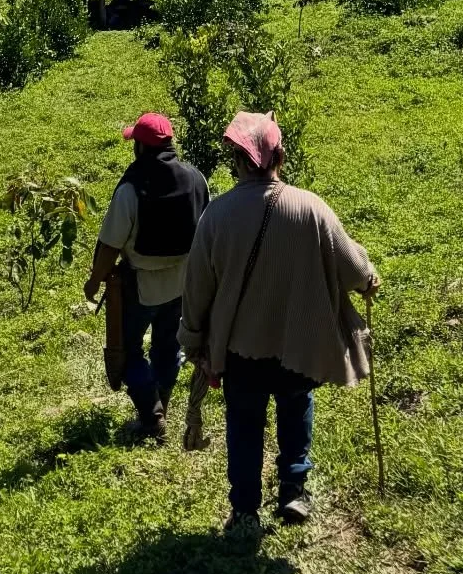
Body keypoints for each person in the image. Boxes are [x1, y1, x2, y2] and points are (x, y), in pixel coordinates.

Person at [179, 110, 379, 539]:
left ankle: (246, 511)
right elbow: (353, 266)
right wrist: (367, 277)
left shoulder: (216, 216)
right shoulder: (312, 208)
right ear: (280, 156)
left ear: (237, 159)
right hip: (298, 344)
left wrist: (192, 338)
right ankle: (293, 489)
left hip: (239, 350)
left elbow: (196, 287)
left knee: (244, 423)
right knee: (295, 405)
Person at [83, 111, 209, 441]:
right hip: (183, 283)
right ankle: (160, 406)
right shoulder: (196, 179)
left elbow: (110, 245)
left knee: (125, 350)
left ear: (140, 146)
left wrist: (94, 281)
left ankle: (152, 415)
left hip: (140, 285)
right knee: (168, 348)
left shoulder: (132, 188)